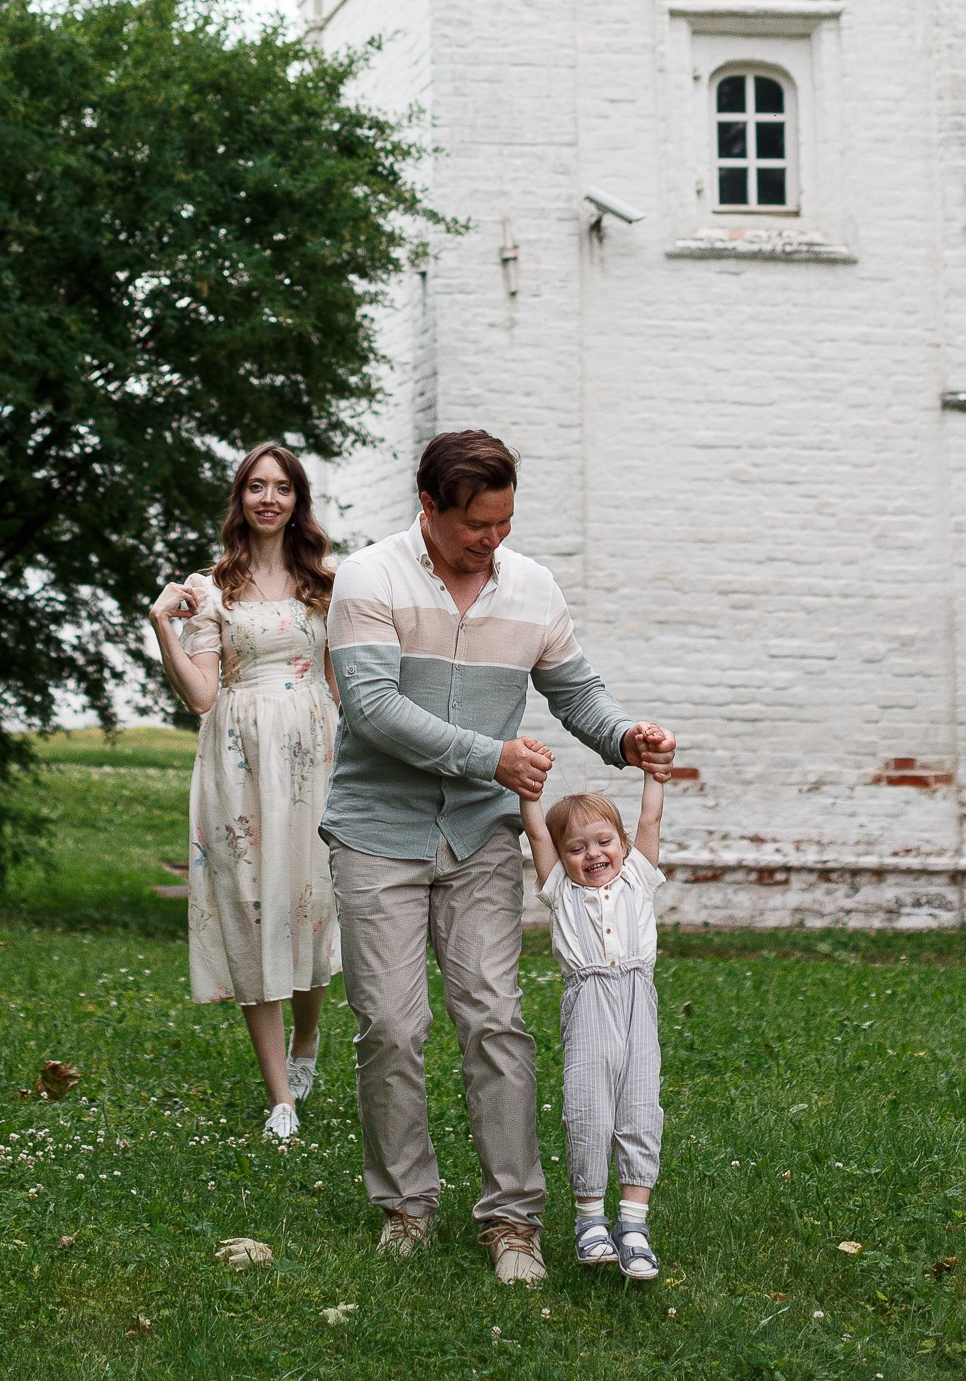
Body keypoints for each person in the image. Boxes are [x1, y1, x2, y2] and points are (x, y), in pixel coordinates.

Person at [320, 426, 676, 1288]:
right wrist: (489, 757)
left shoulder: (533, 587)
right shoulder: (369, 578)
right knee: (393, 1028)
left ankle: (513, 1220)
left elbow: (575, 691)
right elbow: (370, 709)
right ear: (430, 510)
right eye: (477, 525)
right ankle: (406, 1207)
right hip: (376, 830)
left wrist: (625, 736)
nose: (493, 541)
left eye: (505, 523)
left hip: (480, 834)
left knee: (495, 1021)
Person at [149, 443, 341, 1142]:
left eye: (281, 488)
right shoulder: (212, 588)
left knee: (312, 904)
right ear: (241, 498)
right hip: (238, 759)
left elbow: (341, 686)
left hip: (314, 753)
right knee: (252, 907)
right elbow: (201, 694)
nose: (268, 499)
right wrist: (162, 625)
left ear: (297, 500)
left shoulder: (326, 582)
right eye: (256, 487)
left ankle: (309, 1039)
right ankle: (281, 1096)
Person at [520, 779, 666, 1282]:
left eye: (604, 841)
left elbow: (650, 821)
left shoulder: (638, 878)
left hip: (637, 1000)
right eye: (577, 848)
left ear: (622, 843)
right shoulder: (561, 890)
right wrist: (529, 793)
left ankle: (633, 1226)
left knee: (641, 1106)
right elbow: (537, 835)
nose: (594, 854)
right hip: (588, 1001)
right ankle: (589, 1223)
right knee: (588, 1109)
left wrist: (655, 777)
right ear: (562, 859)